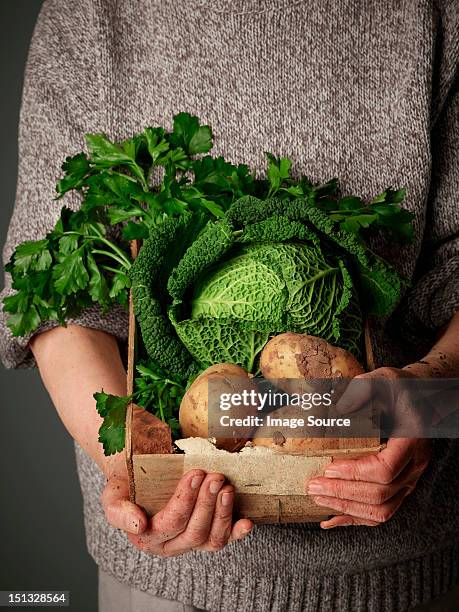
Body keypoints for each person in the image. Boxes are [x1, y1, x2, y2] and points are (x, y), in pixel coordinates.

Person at [1, 1, 458, 611]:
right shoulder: (88, 11)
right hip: (167, 576)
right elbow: (58, 301)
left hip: (405, 562)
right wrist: (129, 460)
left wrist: (427, 401)